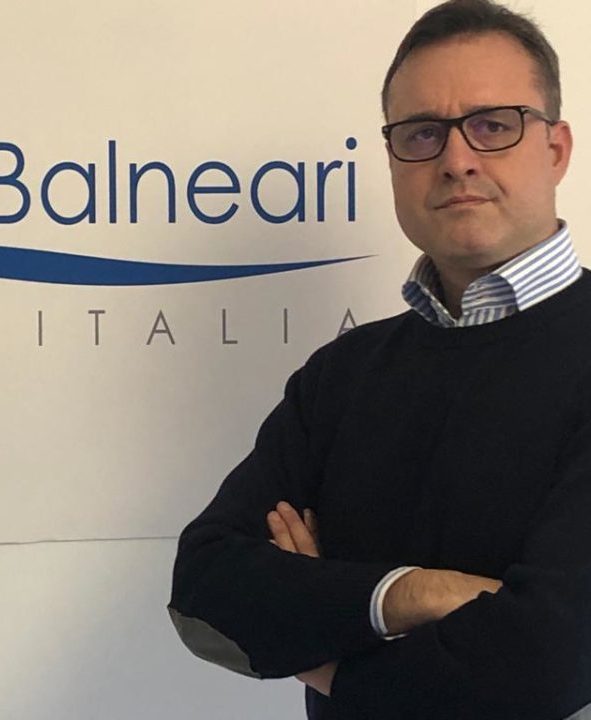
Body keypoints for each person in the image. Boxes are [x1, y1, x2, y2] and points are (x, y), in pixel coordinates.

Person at [167, 1, 591, 718]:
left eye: (494, 125)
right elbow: (205, 591)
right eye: (422, 133)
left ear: (555, 149)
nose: (457, 159)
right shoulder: (340, 376)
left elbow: (548, 663)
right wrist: (415, 593)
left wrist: (325, 650)